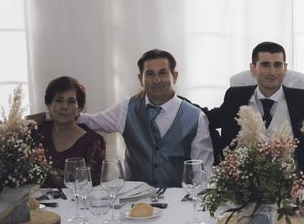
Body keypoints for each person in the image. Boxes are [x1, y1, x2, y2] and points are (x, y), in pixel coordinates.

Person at [32, 49, 214, 188]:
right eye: (150, 74)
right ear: (140, 79)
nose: (156, 80)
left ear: (174, 76)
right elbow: (90, 120)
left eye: (163, 73)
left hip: (179, 202)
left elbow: (203, 174)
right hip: (134, 201)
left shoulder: (196, 117)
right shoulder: (127, 107)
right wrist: (48, 115)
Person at [205, 41, 304, 181]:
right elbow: (206, 118)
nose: (272, 72)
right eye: (265, 65)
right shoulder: (235, 97)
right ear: (253, 68)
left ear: (285, 68)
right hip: (243, 188)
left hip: (297, 189)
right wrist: (176, 99)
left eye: (277, 65)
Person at [34, 76, 106, 188]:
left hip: (78, 203)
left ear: (80, 108)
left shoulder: (93, 141)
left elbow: (94, 186)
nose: (64, 107)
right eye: (59, 100)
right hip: (40, 204)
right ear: (49, 105)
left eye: (71, 101)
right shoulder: (38, 133)